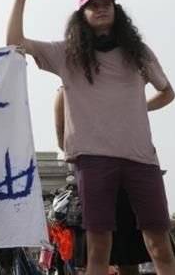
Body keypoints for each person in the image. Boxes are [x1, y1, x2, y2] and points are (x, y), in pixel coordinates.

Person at [8, 0, 175, 275]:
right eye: (93, 6)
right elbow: (15, 43)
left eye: (107, 4)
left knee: (159, 246)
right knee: (98, 248)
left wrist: (140, 107)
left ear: (116, 10)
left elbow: (167, 92)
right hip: (94, 159)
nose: (101, 9)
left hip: (141, 158)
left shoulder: (137, 51)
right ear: (81, 15)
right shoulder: (66, 54)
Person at [54, 90, 152, 275]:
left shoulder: (118, 84)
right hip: (92, 176)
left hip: (124, 174)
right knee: (95, 254)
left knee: (128, 254)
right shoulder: (65, 92)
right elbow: (64, 142)